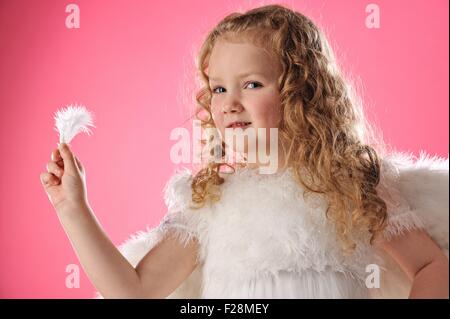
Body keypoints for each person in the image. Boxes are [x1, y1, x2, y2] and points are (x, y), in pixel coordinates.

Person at [40, 4, 448, 298]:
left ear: (300, 92)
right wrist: (72, 208)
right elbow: (135, 292)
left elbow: (434, 267)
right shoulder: (213, 202)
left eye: (251, 84)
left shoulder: (351, 188)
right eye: (218, 88)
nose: (229, 103)